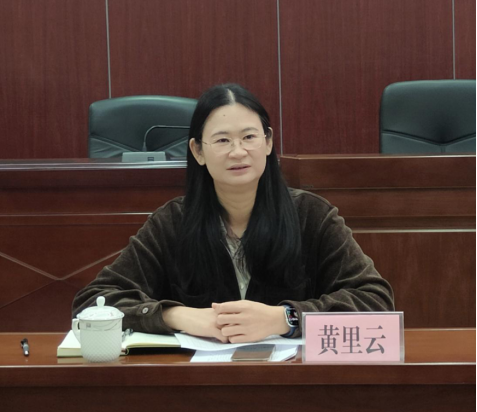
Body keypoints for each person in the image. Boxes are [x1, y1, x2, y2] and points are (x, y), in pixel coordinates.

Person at [72, 84, 394, 344]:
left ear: (268, 142)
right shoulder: (172, 222)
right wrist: (176, 315)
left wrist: (286, 318)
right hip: (199, 385)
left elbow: (375, 301)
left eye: (249, 137)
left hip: (291, 381)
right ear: (198, 151)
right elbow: (93, 301)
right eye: (223, 140)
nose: (238, 152)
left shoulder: (311, 215)